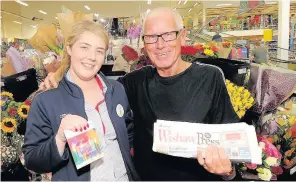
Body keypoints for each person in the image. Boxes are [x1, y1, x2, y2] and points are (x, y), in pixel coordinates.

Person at [39, 8, 239, 181]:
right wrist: (59, 75)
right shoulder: (135, 81)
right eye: (151, 37)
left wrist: (227, 170)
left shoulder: (210, 77)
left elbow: (232, 139)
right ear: (144, 43)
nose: (160, 45)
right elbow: (92, 81)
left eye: (168, 34)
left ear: (183, 35)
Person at [22, 21, 139, 181]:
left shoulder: (116, 90)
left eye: (99, 51)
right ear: (69, 48)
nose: (92, 57)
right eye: (84, 47)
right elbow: (32, 160)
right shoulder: (46, 100)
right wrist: (60, 139)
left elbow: (128, 132)